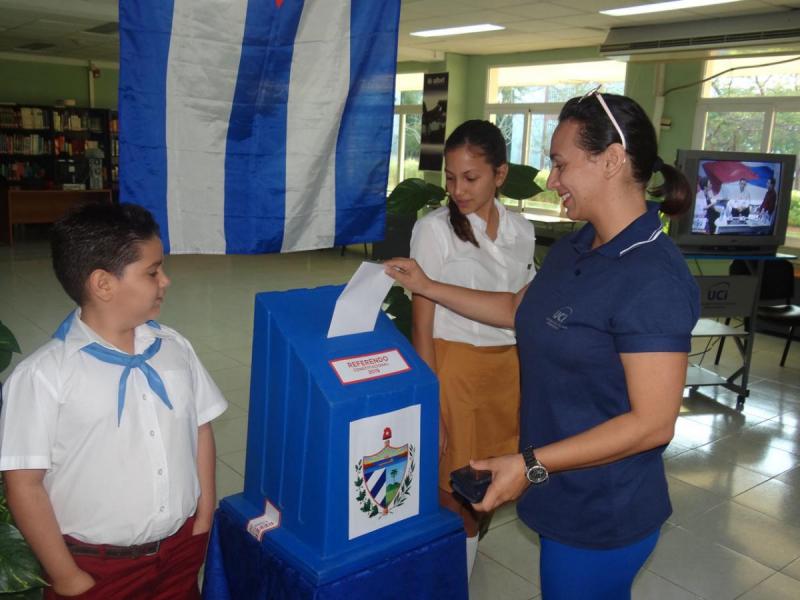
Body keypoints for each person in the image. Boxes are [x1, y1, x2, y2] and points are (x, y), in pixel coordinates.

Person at [385, 90, 700, 599]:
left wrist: (530, 463)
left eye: (560, 164)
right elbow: (516, 309)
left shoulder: (651, 277)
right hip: (563, 491)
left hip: (600, 511)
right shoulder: (581, 245)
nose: (551, 180)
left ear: (612, 161)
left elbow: (653, 423)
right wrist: (428, 285)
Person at [0, 202, 228, 600]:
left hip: (179, 552)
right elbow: (24, 483)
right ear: (103, 285)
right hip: (96, 568)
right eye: (153, 271)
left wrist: (204, 512)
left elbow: (200, 428)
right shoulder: (42, 376)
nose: (165, 281)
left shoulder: (174, 348)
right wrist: (66, 575)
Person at [410, 119, 536, 578]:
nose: (457, 189)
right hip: (455, 368)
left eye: (470, 178)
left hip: (508, 371)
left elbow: (522, 312)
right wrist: (433, 401)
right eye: (449, 177)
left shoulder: (522, 230)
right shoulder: (434, 230)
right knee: (457, 488)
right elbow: (422, 326)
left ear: (500, 174)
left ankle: (464, 561)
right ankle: (453, 579)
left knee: (498, 479)